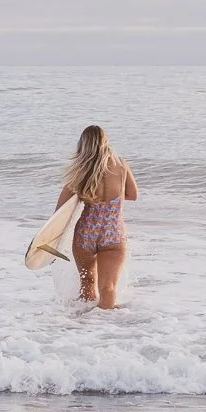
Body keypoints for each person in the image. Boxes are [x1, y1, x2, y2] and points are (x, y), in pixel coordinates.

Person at [55, 124, 138, 309]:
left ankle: (85, 329)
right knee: (108, 289)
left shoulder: (81, 171)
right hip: (113, 233)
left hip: (86, 234)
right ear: (106, 143)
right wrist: (110, 200)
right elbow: (133, 195)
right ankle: (106, 331)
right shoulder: (122, 166)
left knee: (87, 286)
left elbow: (60, 211)